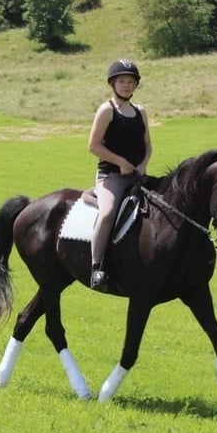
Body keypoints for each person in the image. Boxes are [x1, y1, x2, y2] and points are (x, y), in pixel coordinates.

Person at [87, 59, 152, 291]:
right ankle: (96, 268)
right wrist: (120, 162)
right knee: (107, 214)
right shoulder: (107, 110)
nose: (126, 85)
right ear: (113, 83)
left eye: (131, 82)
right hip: (111, 176)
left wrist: (143, 164)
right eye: (122, 81)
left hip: (136, 175)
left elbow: (147, 145)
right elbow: (93, 146)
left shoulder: (140, 111)